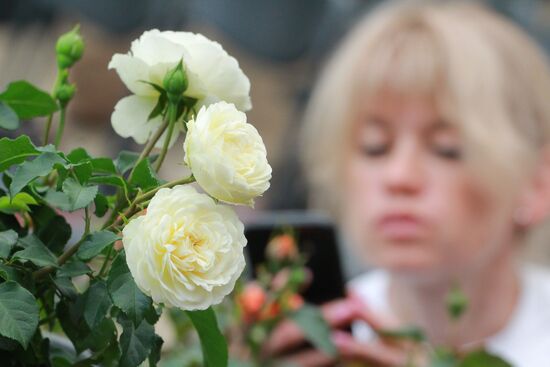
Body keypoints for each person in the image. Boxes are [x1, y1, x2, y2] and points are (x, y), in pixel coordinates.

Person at [264, 1, 550, 366]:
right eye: (375, 147)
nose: (400, 177)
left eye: (447, 150)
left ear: (536, 182)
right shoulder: (326, 334)